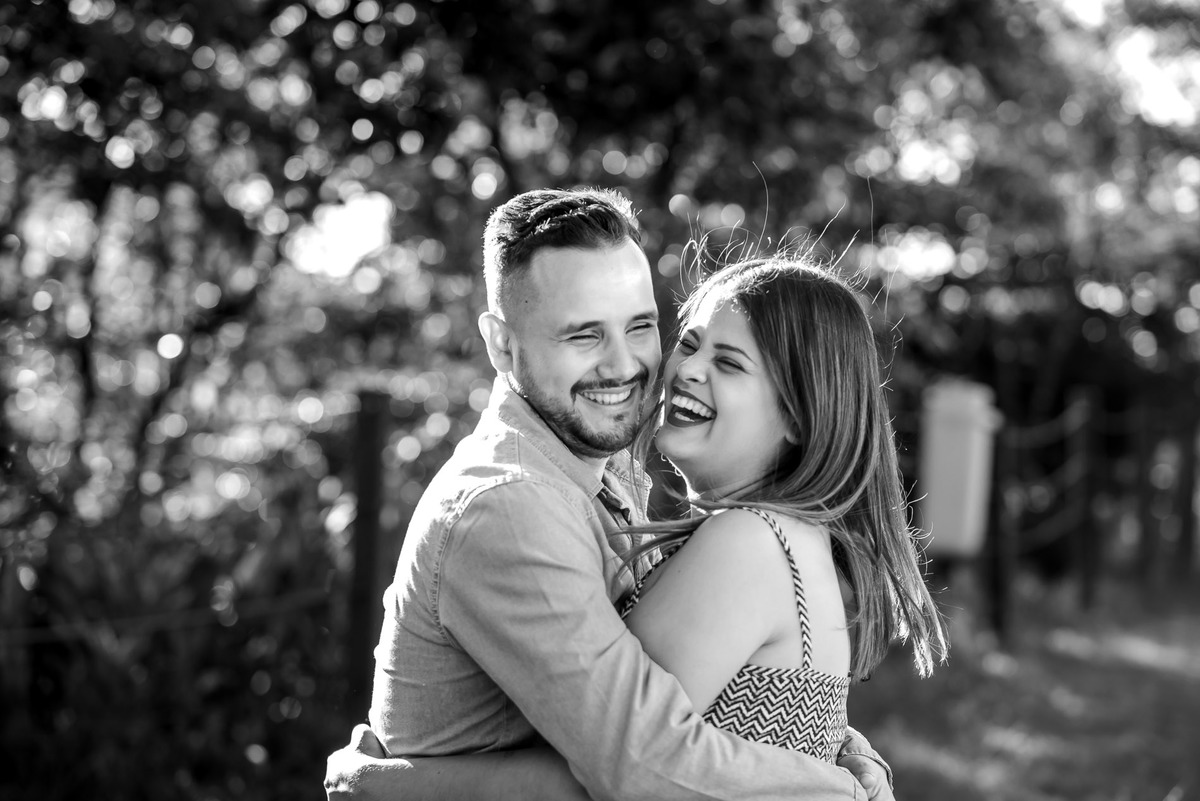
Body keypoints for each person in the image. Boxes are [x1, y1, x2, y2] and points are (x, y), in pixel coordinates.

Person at [326, 188, 898, 801]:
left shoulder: (616, 474)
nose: (626, 365)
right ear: (501, 345)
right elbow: (641, 768)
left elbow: (654, 753)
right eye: (583, 336)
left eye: (642, 327)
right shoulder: (512, 505)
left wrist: (386, 786)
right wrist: (831, 788)